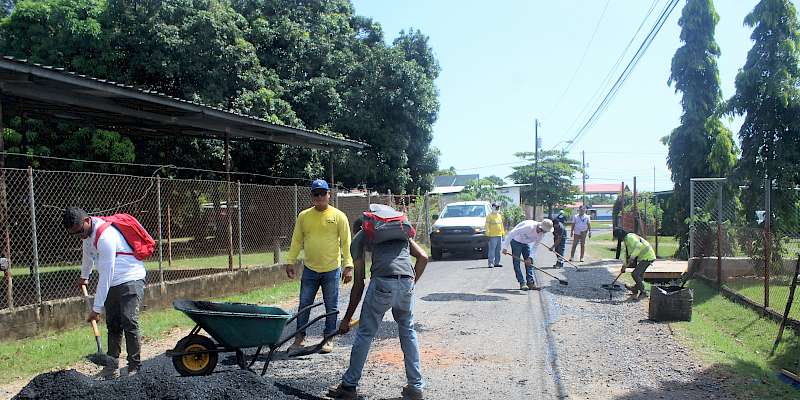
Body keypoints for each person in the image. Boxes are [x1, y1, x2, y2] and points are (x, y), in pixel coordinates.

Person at [328, 204, 428, 400]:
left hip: (382, 282)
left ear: (362, 229)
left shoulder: (359, 239)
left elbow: (358, 285)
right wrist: (409, 286)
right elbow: (423, 257)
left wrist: (346, 319)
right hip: (406, 281)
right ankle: (416, 387)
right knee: (408, 331)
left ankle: (348, 386)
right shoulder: (399, 234)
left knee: (365, 333)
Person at [62, 207, 147, 379]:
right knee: (113, 324)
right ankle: (111, 366)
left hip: (130, 278)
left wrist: (96, 308)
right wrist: (84, 276)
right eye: (74, 234)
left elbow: (106, 274)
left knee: (129, 321)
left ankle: (134, 366)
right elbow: (88, 256)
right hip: (113, 282)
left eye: (80, 231)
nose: (79, 235)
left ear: (86, 221)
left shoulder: (105, 236)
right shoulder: (87, 236)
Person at [286, 179, 353, 354]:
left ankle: (328, 338)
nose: (319, 197)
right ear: (312, 196)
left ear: (329, 195)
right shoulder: (304, 216)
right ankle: (299, 338)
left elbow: (346, 243)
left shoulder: (338, 216)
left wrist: (348, 265)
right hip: (310, 269)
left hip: (331, 270)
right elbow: (296, 240)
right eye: (316, 194)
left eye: (322, 193)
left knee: (331, 306)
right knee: (304, 305)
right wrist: (290, 261)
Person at [502, 219, 554, 291]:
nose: (544, 233)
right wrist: (505, 247)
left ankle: (530, 283)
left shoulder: (541, 235)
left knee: (529, 263)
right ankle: (522, 283)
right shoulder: (529, 227)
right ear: (540, 228)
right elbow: (512, 233)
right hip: (516, 241)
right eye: (544, 231)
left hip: (526, 243)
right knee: (517, 262)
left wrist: (530, 257)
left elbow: (535, 246)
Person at [613, 227, 656, 300]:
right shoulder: (626, 240)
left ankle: (644, 293)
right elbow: (626, 253)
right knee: (640, 275)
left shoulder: (630, 237)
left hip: (648, 256)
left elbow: (639, 246)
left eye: (617, 238)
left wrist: (632, 257)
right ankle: (635, 289)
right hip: (644, 257)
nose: (618, 240)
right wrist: (624, 265)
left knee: (635, 274)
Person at [484, 202, 505, 268]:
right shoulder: (489, 216)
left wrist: (503, 234)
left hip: (499, 235)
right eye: (496, 207)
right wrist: (487, 235)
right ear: (493, 207)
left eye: (498, 207)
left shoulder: (499, 215)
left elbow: (501, 225)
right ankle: (490, 263)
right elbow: (486, 226)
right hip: (492, 236)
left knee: (498, 250)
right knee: (492, 250)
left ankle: (497, 262)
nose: (497, 208)